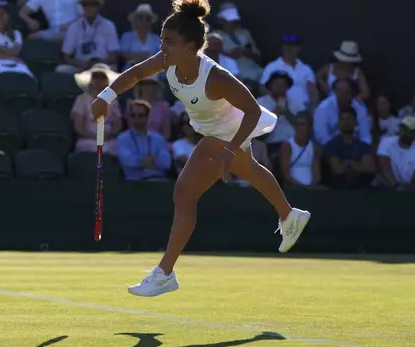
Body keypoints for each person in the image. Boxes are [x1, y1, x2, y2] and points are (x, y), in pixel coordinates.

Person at [91, 0, 310, 297]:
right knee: (250, 171)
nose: (163, 46)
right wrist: (106, 95)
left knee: (184, 192)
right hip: (213, 130)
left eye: (169, 41)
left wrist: (230, 149)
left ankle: (165, 272)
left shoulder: (217, 77)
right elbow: (134, 75)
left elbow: (253, 112)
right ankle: (289, 214)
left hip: (227, 131)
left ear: (191, 45)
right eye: (161, 40)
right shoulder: (167, 60)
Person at [73, 63, 121, 155]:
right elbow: (78, 126)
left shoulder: (113, 101)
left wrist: (109, 135)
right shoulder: (81, 99)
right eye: (95, 77)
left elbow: (117, 124)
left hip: (109, 139)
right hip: (87, 139)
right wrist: (94, 137)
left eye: (102, 78)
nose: (98, 81)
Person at [117, 99, 172, 180]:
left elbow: (166, 163)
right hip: (133, 183)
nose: (137, 118)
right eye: (133, 115)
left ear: (148, 117)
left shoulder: (158, 138)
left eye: (141, 115)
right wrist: (151, 160)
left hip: (157, 180)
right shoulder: (123, 138)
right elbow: (127, 161)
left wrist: (138, 161)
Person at [0, 1, 34, 80]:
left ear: (9, 16)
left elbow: (15, 51)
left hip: (15, 63)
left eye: (4, 13)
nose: (0, 15)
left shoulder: (16, 33)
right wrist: (10, 56)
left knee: (27, 75)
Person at [323, 108, 375, 189]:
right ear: (339, 123)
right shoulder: (331, 145)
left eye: (349, 119)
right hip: (338, 188)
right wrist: (358, 166)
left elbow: (369, 168)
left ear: (355, 122)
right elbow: (338, 170)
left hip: (361, 188)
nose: (346, 122)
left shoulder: (364, 146)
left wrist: (348, 164)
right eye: (343, 119)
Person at [120, 4, 162, 70]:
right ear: (135, 20)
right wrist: (147, 56)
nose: (144, 21)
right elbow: (124, 55)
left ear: (150, 22)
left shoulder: (156, 38)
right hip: (130, 71)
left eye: (147, 19)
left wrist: (136, 56)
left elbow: (161, 56)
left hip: (152, 71)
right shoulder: (126, 36)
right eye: (140, 17)